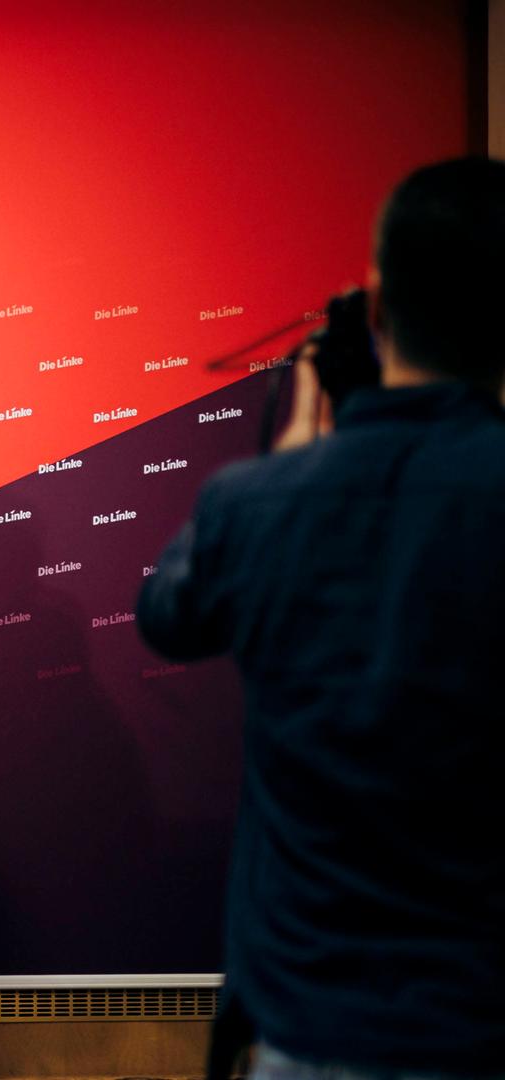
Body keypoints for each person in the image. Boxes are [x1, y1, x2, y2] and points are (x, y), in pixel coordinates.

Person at [138, 157, 505, 1079]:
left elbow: (170, 615)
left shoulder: (261, 501)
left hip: (307, 1017)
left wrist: (288, 457)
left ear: (376, 303)